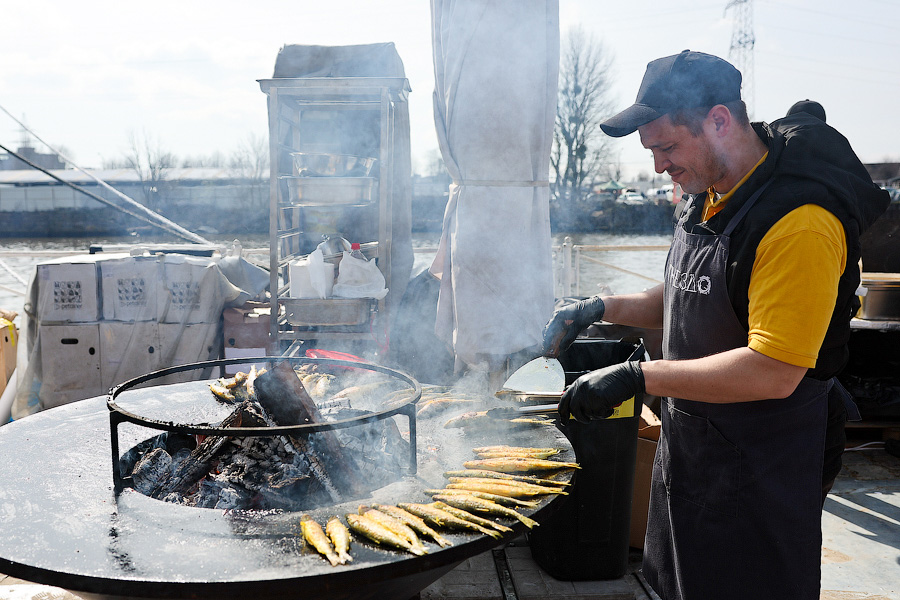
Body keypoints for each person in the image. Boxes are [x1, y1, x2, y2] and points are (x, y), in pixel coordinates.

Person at [542, 50, 890, 600]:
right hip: (693, 448)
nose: (659, 167)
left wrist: (638, 377)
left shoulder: (799, 222)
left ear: (720, 121)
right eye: (652, 152)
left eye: (667, 147)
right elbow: (689, 294)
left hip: (762, 464)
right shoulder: (710, 192)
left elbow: (772, 369)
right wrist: (600, 307)